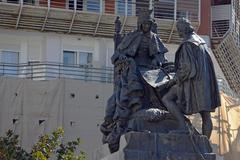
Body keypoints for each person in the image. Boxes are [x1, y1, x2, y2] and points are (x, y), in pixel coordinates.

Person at [162, 18, 221, 138]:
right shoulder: (201, 42)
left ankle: (183, 127)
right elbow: (194, 63)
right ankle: (205, 144)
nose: (178, 32)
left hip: (192, 85)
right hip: (205, 84)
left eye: (179, 29)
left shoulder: (187, 44)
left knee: (167, 98)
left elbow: (187, 69)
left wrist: (173, 80)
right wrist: (174, 67)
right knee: (206, 115)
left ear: (183, 29)